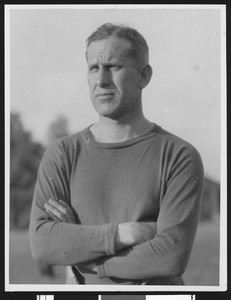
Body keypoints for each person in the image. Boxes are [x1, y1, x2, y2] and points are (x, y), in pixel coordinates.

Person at [29, 23, 204, 285]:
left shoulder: (179, 155)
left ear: (143, 76)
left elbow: (170, 256)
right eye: (93, 68)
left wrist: (79, 253)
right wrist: (122, 234)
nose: (101, 80)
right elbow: (42, 245)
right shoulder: (62, 154)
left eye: (113, 66)